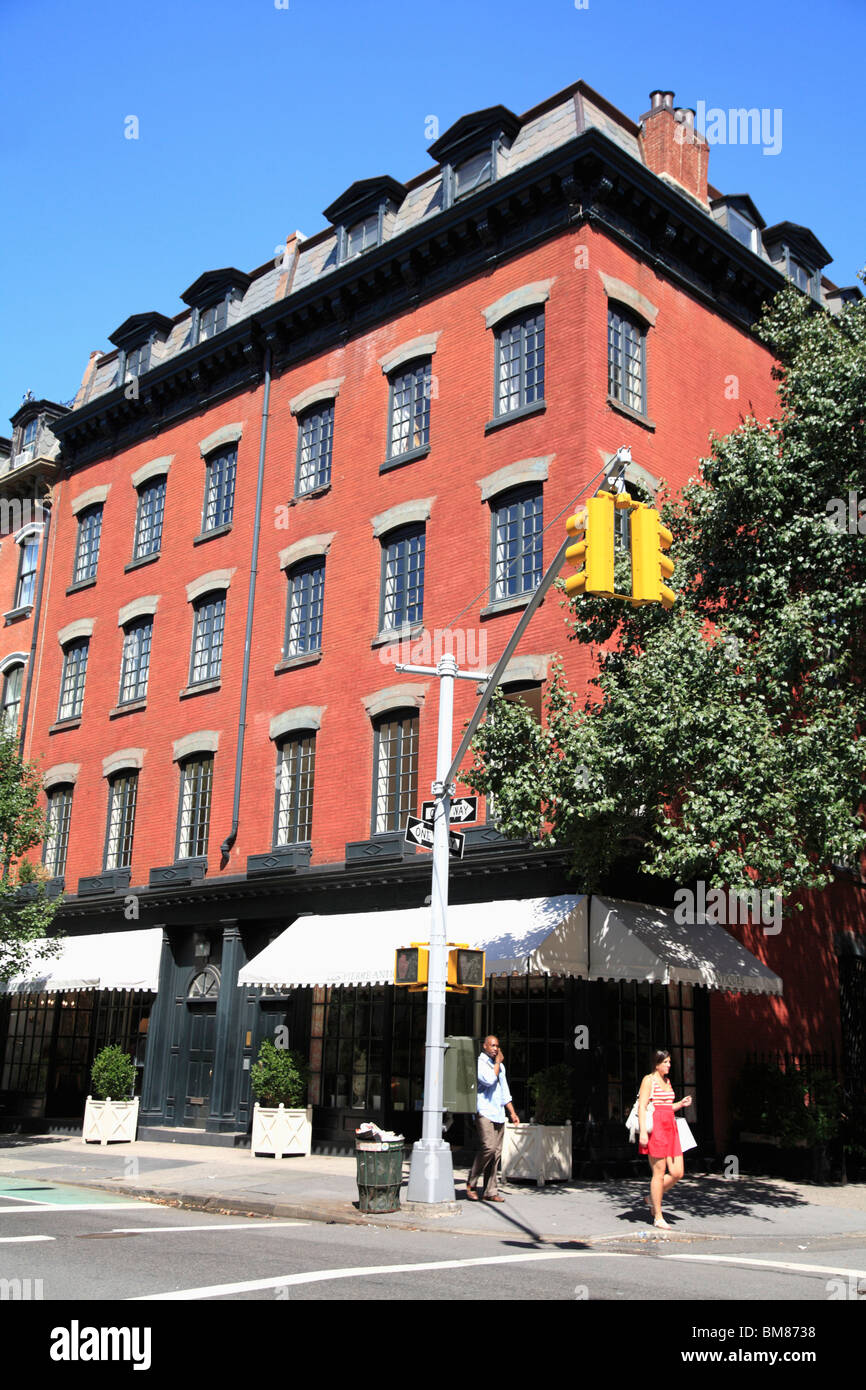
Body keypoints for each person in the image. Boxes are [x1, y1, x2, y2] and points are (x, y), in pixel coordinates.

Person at [638, 1048, 692, 1229]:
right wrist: (644, 1133)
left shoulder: (667, 1081)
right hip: (657, 1130)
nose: (669, 1065)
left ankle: (652, 1198)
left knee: (678, 1172)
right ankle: (658, 1216)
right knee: (659, 1173)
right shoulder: (649, 1080)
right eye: (666, 1062)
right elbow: (643, 1107)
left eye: (669, 1062)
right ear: (657, 1063)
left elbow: (667, 1107)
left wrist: (681, 1104)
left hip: (671, 1128)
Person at [466, 1035, 519, 1203]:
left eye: (497, 1046)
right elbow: (488, 1080)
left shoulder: (500, 1066)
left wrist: (512, 1112)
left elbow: (505, 1092)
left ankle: (490, 1191)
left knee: (495, 1154)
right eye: (492, 1045)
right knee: (488, 1147)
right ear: (485, 1046)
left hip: (498, 1113)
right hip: (484, 1112)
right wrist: (497, 1063)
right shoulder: (480, 1063)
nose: (495, 1048)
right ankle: (471, 1183)